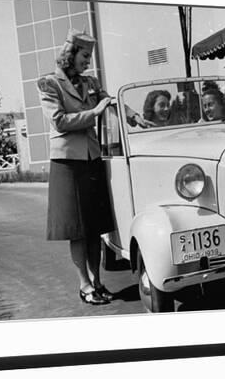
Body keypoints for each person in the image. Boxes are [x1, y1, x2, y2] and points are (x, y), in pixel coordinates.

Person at [37, 29, 150, 305]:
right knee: (77, 229)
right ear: (70, 54)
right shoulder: (49, 84)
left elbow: (109, 102)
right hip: (67, 163)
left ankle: (98, 281)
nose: (88, 61)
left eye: (89, 56)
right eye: (85, 56)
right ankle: (84, 285)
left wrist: (135, 117)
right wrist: (94, 113)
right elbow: (60, 121)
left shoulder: (91, 82)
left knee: (94, 227)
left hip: (91, 159)